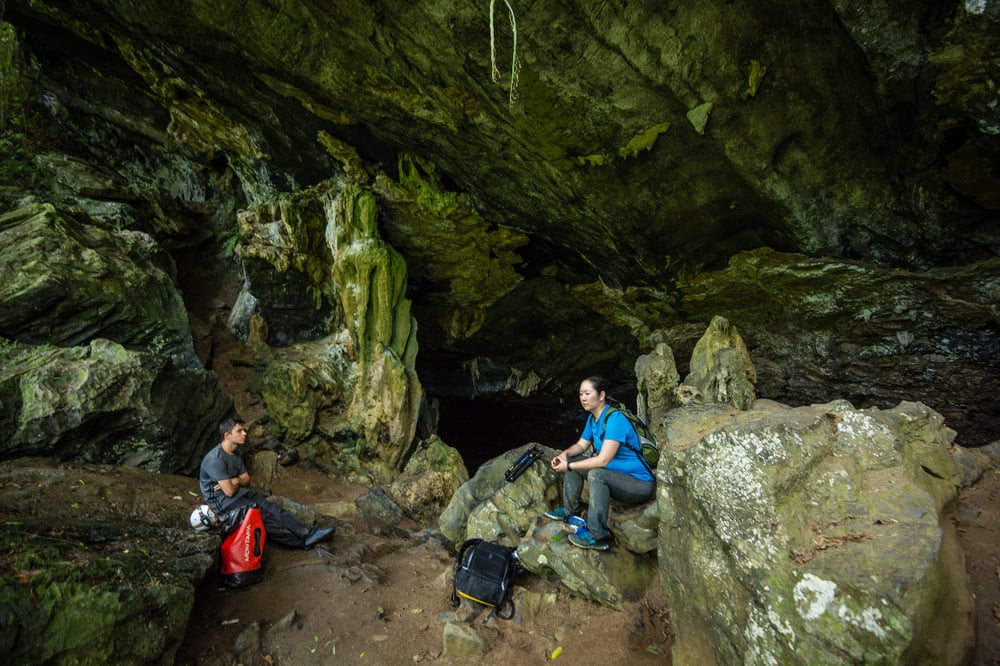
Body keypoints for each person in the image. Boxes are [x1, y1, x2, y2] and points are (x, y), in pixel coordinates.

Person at [545, 376, 655, 551]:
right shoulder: (592, 419)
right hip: (617, 477)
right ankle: (570, 512)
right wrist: (564, 456)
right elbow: (581, 445)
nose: (583, 398)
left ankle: (597, 536)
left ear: (601, 395)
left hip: (639, 484)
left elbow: (603, 460)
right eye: (581, 394)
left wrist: (569, 467)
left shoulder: (615, 419)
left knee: (596, 474)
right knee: (574, 460)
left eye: (587, 393)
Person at [199, 417, 334, 550]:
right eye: (239, 431)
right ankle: (300, 543)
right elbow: (229, 492)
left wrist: (235, 480)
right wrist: (234, 483)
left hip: (240, 493)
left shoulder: (235, 454)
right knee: (263, 517)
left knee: (274, 508)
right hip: (224, 503)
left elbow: (246, 480)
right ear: (227, 435)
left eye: (243, 430)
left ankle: (311, 533)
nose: (244, 433)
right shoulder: (215, 459)